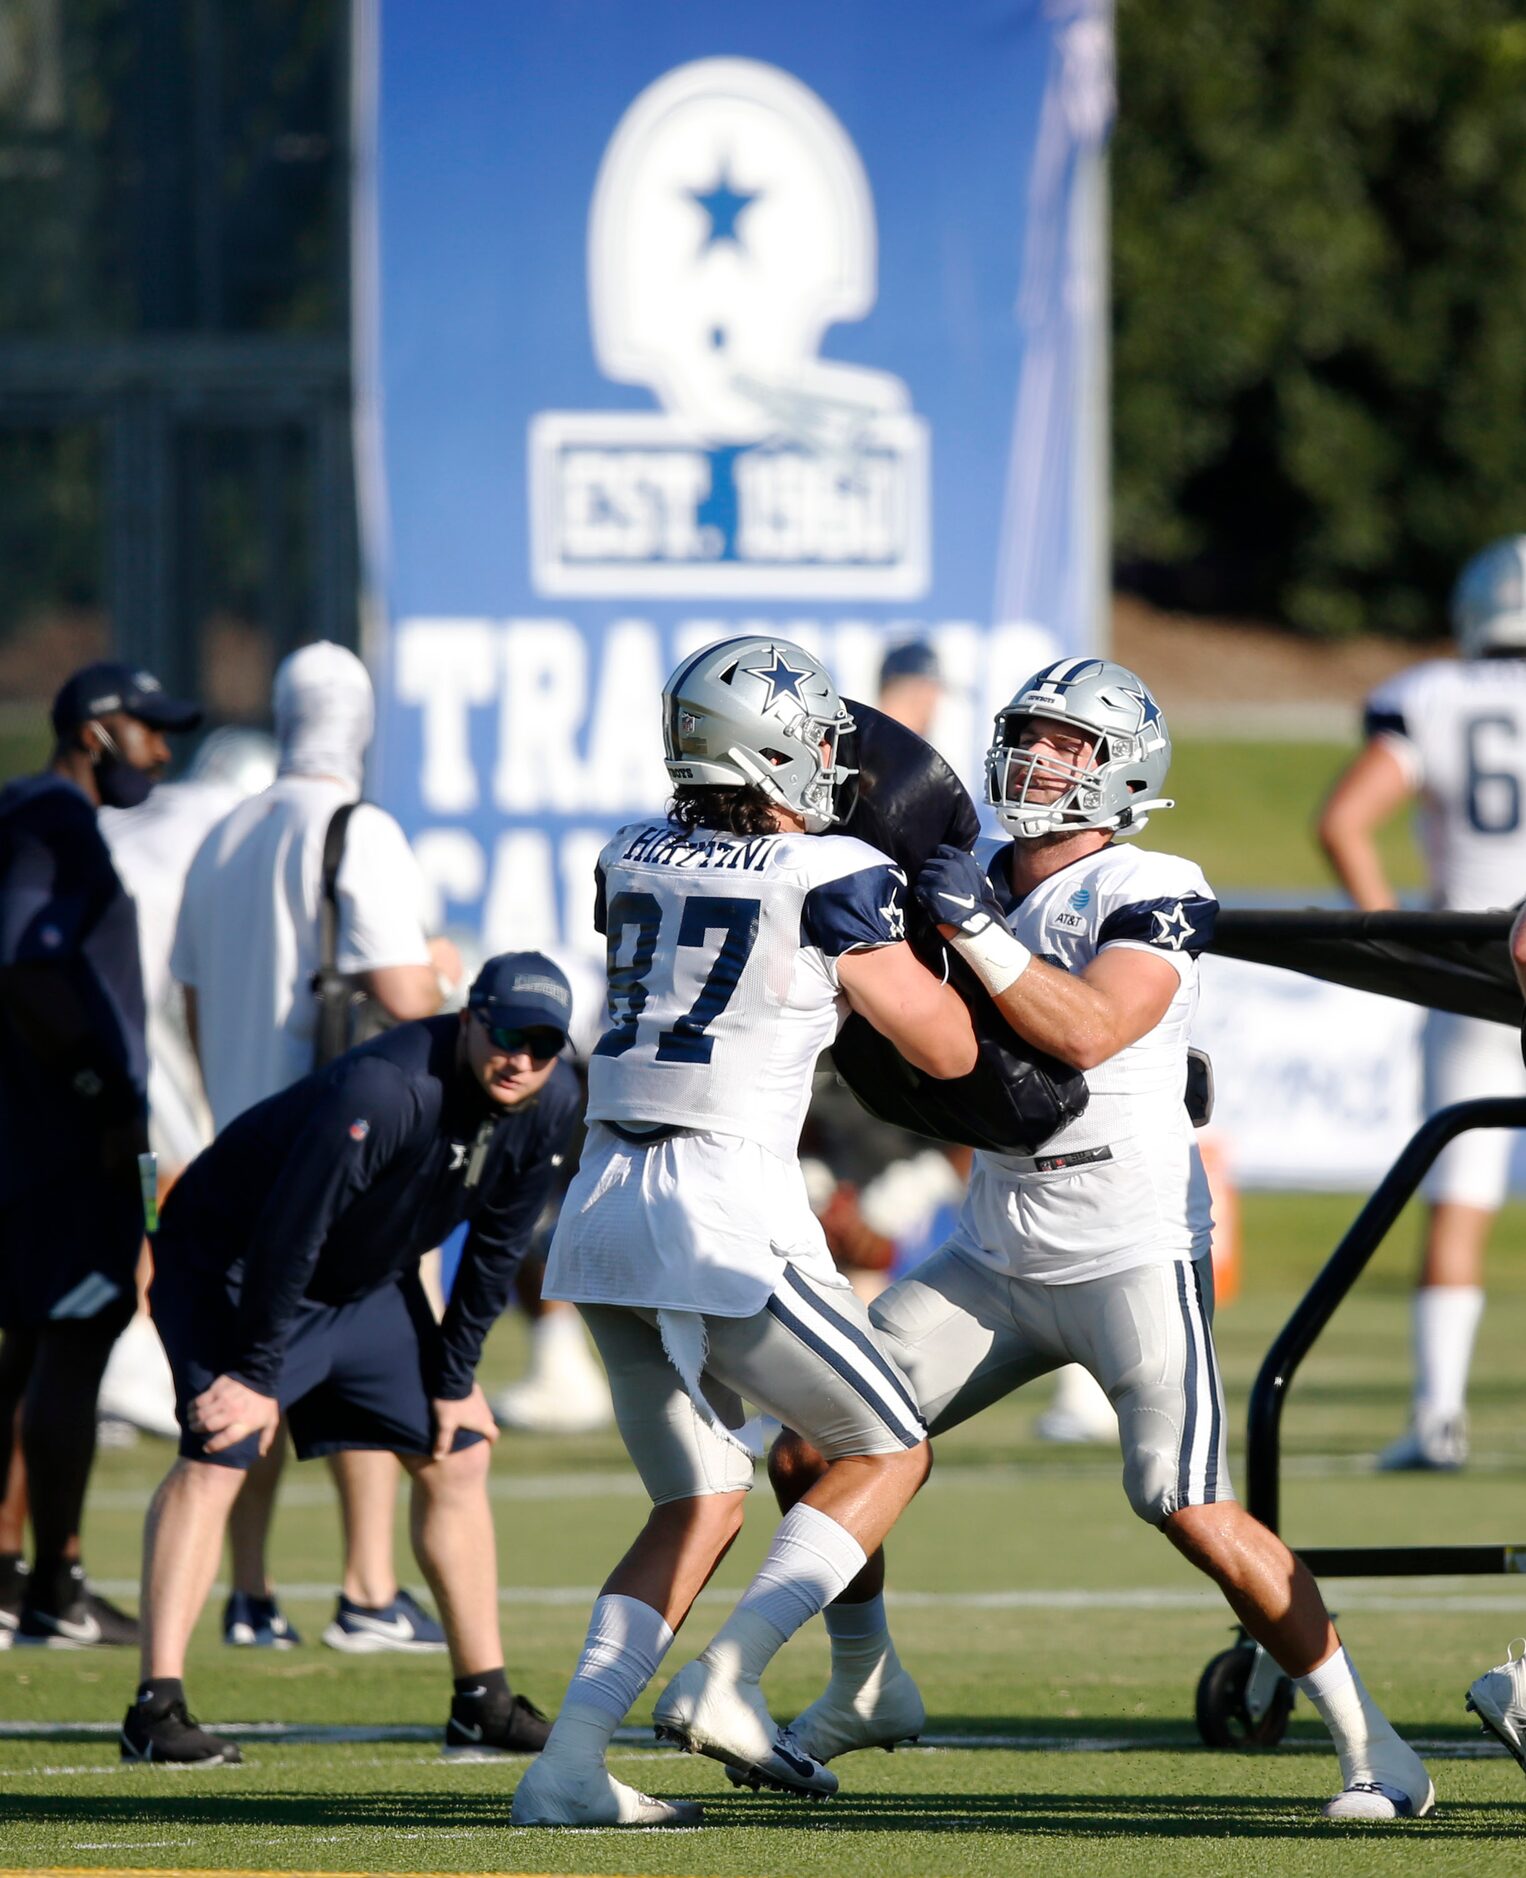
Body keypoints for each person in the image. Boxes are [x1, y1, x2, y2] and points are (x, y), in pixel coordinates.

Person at [768, 657, 1435, 1823]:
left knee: (1190, 1508)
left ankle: (1374, 1745)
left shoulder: (1153, 880)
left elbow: (1083, 1029)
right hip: (991, 1248)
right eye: (1026, 733)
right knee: (811, 1445)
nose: (1034, 757)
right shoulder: (966, 868)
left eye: (1064, 743)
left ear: (1119, 766)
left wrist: (969, 926)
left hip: (1127, 1247)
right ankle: (865, 1683)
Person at [509, 634, 978, 1829]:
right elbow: (945, 1049)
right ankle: (729, 1677)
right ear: (766, 746)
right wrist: (950, 927)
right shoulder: (826, 874)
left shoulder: (626, 851)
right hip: (721, 1205)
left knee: (700, 1499)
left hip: (604, 1203)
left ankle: (566, 1765)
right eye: (816, 736)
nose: (834, 756)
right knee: (887, 1449)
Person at [120, 952, 579, 1764]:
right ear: (468, 1018)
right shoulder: (387, 1089)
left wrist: (455, 1378)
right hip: (231, 1265)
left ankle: (483, 1702)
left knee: (458, 1451)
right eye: (507, 1034)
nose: (522, 1060)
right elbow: (289, 1231)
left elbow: (499, 1248)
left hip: (361, 1282)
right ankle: (154, 1713)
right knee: (223, 1446)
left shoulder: (553, 1102)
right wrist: (258, 1376)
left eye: (542, 1046)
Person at [172, 641, 463, 1651]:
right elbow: (406, 1002)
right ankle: (367, 1587)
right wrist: (435, 961)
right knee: (366, 1355)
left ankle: (249, 1596)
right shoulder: (356, 827)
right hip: (348, 1156)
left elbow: (194, 998)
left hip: (240, 1150)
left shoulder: (222, 831)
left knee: (245, 1368)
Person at [0, 659, 201, 1644]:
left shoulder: (26, 813)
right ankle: (55, 1585)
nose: (161, 752)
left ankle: (14, 1578)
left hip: (33, 1136)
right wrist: (96, 1096)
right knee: (71, 1344)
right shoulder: (54, 821)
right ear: (94, 728)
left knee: (31, 1345)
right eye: (149, 730)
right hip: (63, 1145)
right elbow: (26, 962)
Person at [1319, 535, 1526, 1473]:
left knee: (1460, 1195)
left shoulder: (1433, 695)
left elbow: (1344, 821)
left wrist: (1397, 939)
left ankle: (1439, 1415)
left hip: (1477, 960)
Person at [97, 727, 279, 1442]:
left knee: (114, 1175)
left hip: (41, 973)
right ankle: (130, 1353)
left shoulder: (156, 810)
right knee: (169, 1174)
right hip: (121, 988)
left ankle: (111, 1347)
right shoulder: (233, 824)